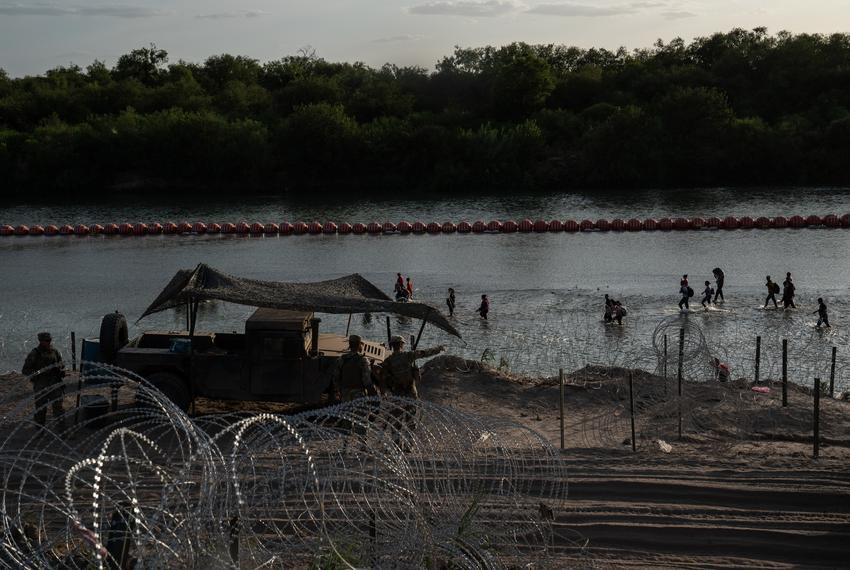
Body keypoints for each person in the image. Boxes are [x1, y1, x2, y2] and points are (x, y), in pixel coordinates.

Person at [22, 332, 65, 426]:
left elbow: (61, 364)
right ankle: (40, 430)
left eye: (50, 340)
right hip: (41, 385)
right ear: (40, 341)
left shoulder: (54, 351)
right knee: (41, 409)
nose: (49, 342)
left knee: (59, 408)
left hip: (54, 383)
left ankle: (63, 430)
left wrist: (60, 369)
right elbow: (25, 370)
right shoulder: (35, 353)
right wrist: (39, 373)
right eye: (47, 341)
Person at [333, 335, 378, 402]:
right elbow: (367, 380)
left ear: (349, 344)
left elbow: (335, 377)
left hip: (345, 394)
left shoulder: (342, 359)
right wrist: (373, 393)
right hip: (358, 395)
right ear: (359, 344)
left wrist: (337, 391)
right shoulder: (363, 360)